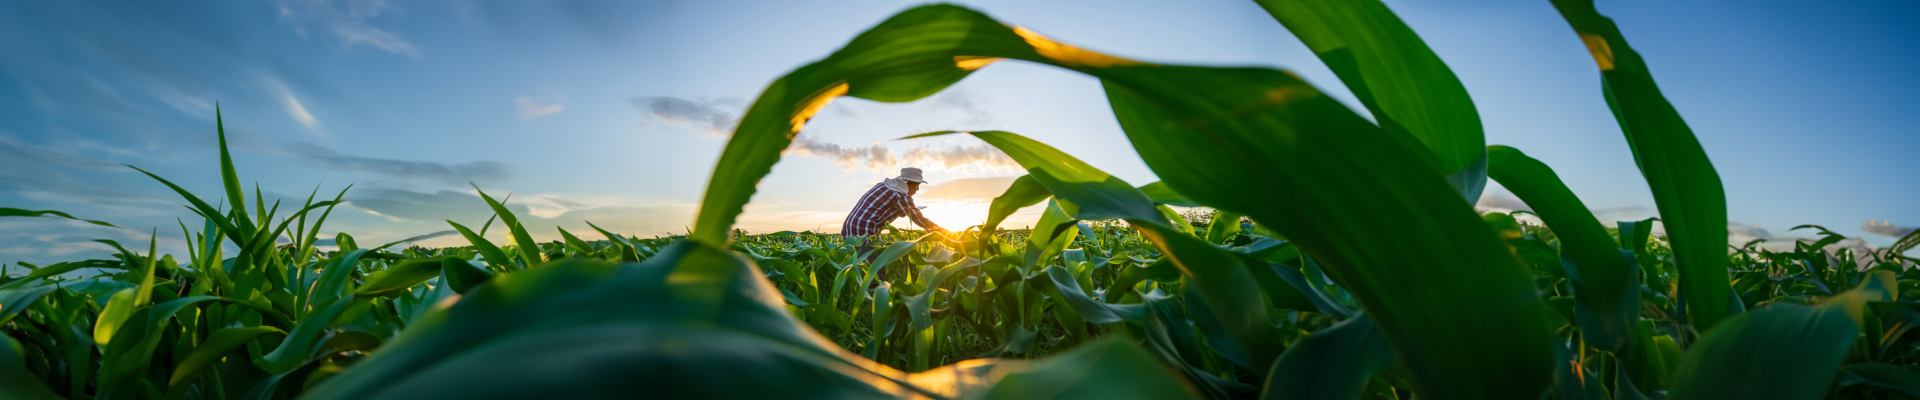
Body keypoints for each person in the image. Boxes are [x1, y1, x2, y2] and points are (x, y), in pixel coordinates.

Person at [842, 167, 945, 276]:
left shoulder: (883, 186)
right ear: (908, 183)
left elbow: (883, 209)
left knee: (848, 265)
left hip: (850, 226)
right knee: (878, 266)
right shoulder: (901, 194)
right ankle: (874, 292)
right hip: (864, 229)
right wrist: (941, 232)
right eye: (917, 186)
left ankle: (838, 290)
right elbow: (918, 219)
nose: (917, 189)